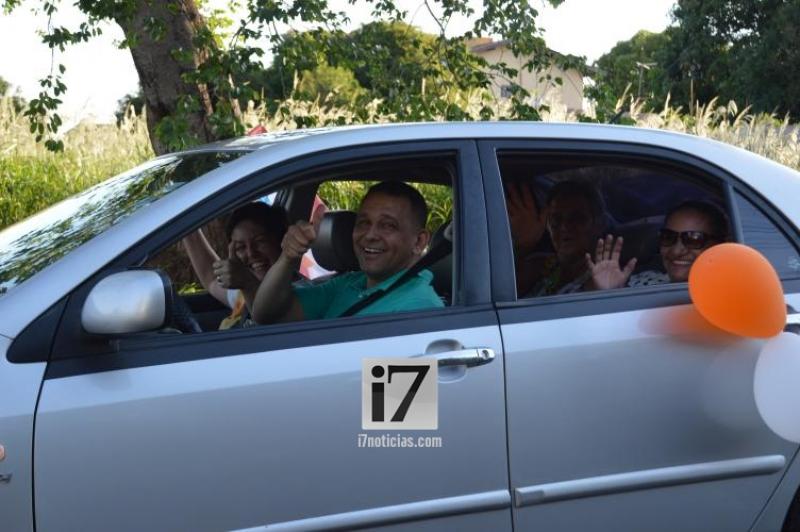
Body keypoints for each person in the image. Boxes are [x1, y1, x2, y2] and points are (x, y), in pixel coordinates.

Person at [252, 181, 443, 324]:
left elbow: (411, 370)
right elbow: (266, 315)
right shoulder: (350, 284)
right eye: (364, 223)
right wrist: (287, 257)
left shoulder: (422, 307)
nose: (370, 235)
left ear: (419, 241)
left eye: (388, 226)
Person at [507, 179, 628, 296]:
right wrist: (524, 246)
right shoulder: (543, 266)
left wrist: (607, 293)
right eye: (556, 220)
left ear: (599, 224)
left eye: (576, 218)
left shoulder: (607, 278)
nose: (564, 227)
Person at [182, 202, 288, 329]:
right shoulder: (244, 292)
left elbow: (272, 317)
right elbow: (211, 278)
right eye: (240, 247)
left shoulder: (296, 296)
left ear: (281, 242)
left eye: (260, 241)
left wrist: (247, 282)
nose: (251, 253)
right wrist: (185, 222)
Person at [588, 200, 729, 289]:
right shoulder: (643, 284)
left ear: (719, 245)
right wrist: (612, 291)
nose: (676, 251)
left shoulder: (730, 293)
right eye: (668, 237)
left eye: (693, 239)